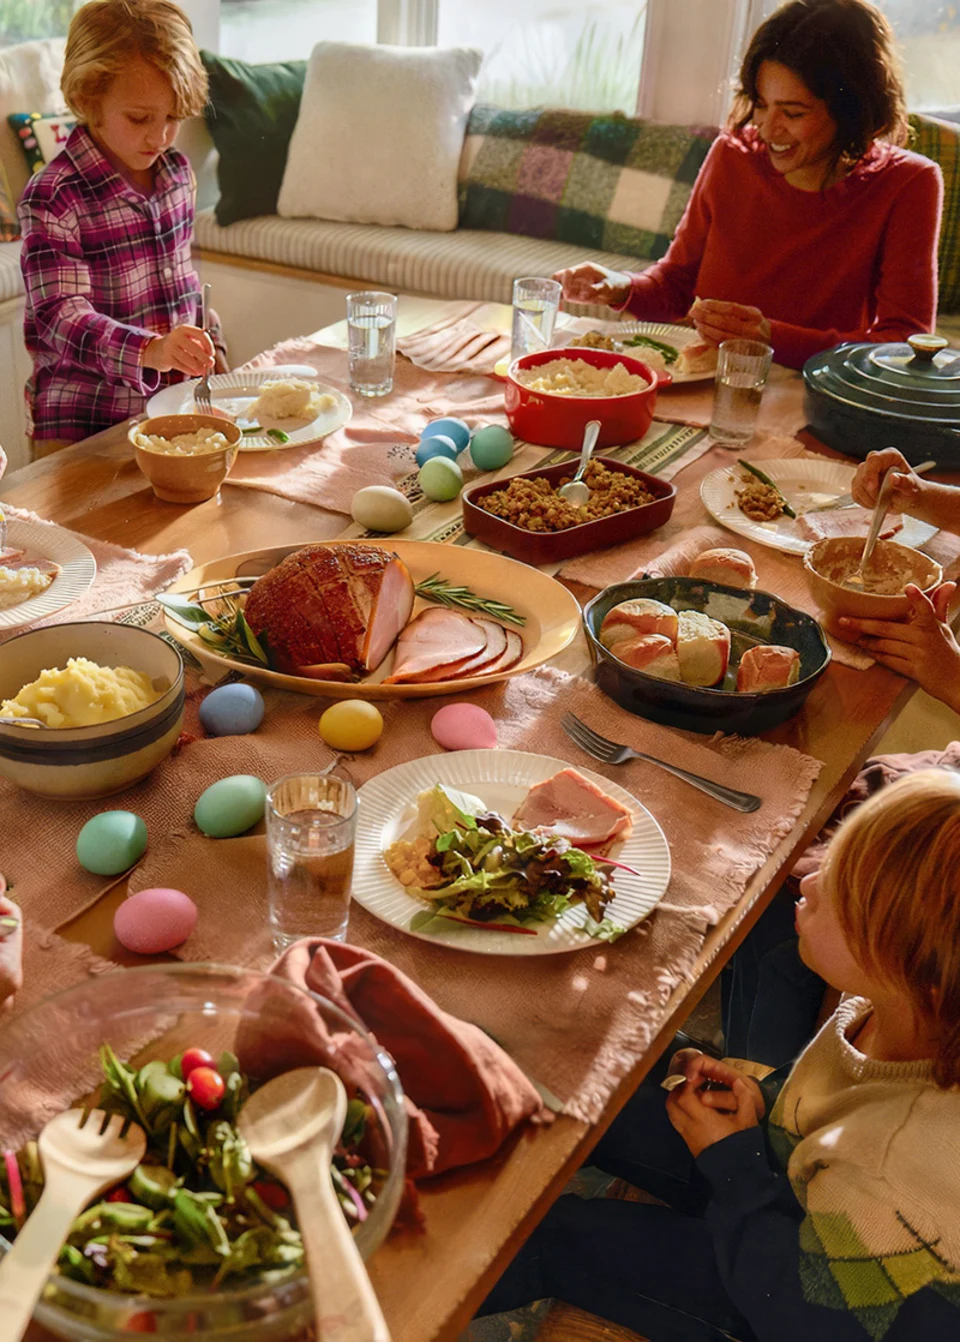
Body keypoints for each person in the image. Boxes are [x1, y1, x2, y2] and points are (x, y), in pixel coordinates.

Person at [479, 770, 960, 1341]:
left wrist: (734, 1169)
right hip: (787, 1189)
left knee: (550, 1236)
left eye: (841, 890)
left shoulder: (901, 1163)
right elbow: (833, 1110)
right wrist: (763, 1103)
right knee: (607, 1057)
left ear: (921, 971)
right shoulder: (906, 1006)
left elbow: (802, 1312)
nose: (809, 880)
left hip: (788, 1298)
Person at [553, 0, 943, 370]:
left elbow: (902, 347)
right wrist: (620, 287)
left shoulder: (909, 183)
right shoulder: (732, 153)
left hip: (807, 399)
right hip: (702, 383)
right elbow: (676, 285)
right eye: (760, 103)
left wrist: (770, 337)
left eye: (792, 112)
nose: (768, 129)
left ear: (852, 111)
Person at [17, 0, 227, 454]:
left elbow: (180, 286)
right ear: (90, 99)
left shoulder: (175, 174)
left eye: (173, 117)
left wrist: (212, 347)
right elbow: (61, 318)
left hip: (166, 414)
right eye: (139, 118)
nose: (160, 137)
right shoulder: (53, 196)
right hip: (81, 430)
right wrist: (151, 350)